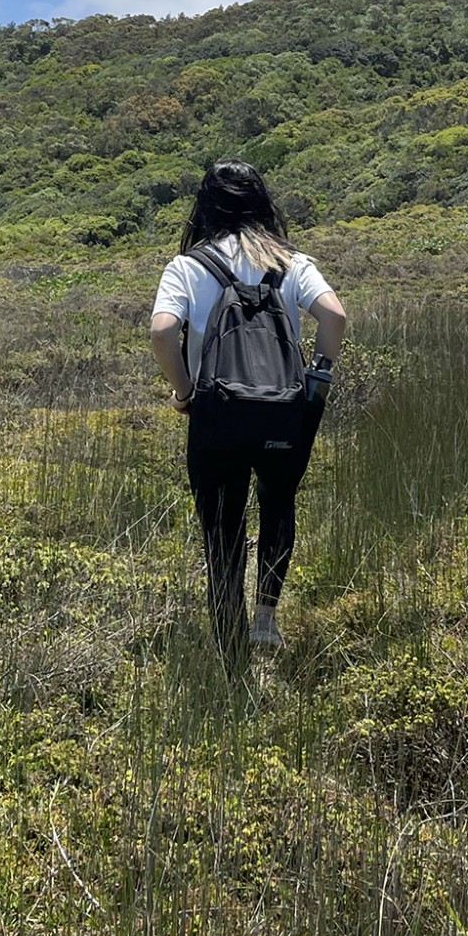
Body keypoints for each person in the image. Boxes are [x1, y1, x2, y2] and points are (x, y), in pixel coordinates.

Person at [149, 159, 347, 665]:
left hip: (215, 416)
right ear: (262, 203)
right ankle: (265, 618)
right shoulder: (290, 262)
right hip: (283, 412)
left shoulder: (189, 267)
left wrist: (184, 393)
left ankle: (230, 648)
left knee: (222, 530)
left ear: (206, 207)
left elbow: (162, 331)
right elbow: (334, 316)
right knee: (278, 504)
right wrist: (315, 385)